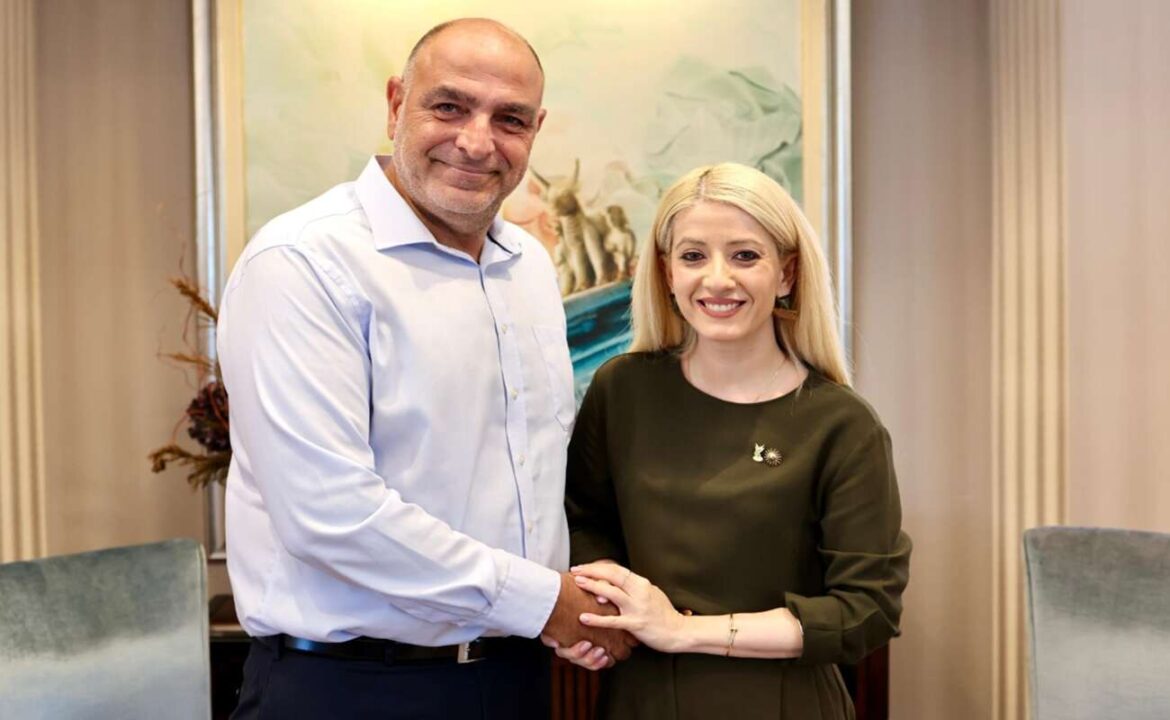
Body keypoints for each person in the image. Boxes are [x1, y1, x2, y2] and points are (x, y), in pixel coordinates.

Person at [217, 18, 632, 720]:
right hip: (351, 690)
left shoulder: (529, 267)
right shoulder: (301, 263)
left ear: (536, 130)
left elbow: (533, 477)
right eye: (449, 106)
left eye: (509, 119)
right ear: (395, 104)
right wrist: (546, 602)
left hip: (516, 679)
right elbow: (331, 514)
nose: (476, 141)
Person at [560, 163, 912, 718]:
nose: (718, 279)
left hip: (785, 702)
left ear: (787, 273)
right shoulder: (621, 390)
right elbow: (583, 523)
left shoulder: (842, 424)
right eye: (693, 256)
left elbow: (867, 611)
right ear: (666, 272)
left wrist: (683, 630)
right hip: (641, 699)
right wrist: (601, 611)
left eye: (745, 256)